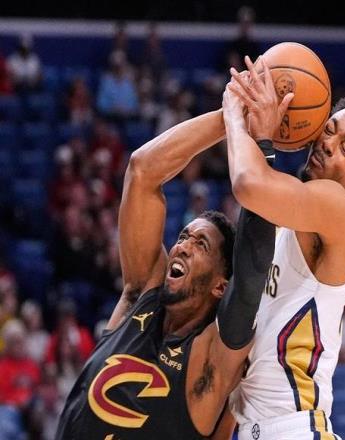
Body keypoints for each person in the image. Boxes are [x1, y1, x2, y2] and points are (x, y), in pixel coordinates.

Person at [55, 109, 276, 439]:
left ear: (220, 286)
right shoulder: (140, 296)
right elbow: (142, 170)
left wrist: (262, 146)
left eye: (200, 244)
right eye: (184, 236)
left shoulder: (211, 357)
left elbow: (251, 272)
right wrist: (230, 114)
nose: (183, 246)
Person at [222, 56, 345, 439]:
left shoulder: (342, 209)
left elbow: (248, 184)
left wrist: (237, 114)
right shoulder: (282, 217)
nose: (328, 144)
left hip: (297, 426)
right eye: (329, 129)